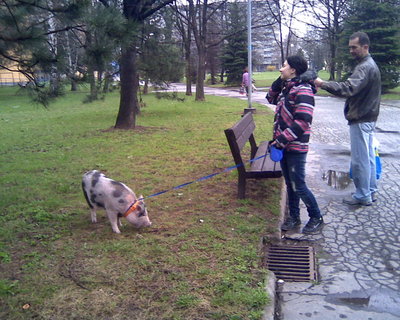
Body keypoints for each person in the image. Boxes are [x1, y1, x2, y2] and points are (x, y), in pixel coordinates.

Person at [314, 31, 381, 206]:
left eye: (354, 47)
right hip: (368, 117)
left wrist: (322, 84)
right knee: (368, 158)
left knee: (360, 159)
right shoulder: (368, 64)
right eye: (350, 47)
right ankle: (370, 191)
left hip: (361, 118)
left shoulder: (365, 67)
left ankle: (362, 195)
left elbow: (348, 88)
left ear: (365, 47)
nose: (351, 50)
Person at [266, 55, 323, 233]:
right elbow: (270, 98)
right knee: (290, 184)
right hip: (283, 146)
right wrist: (279, 80)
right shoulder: (288, 87)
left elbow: (303, 121)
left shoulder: (303, 90)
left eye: (284, 66)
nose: (281, 69)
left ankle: (316, 217)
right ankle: (294, 217)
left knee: (298, 185)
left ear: (293, 70)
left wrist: (281, 140)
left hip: (295, 147)